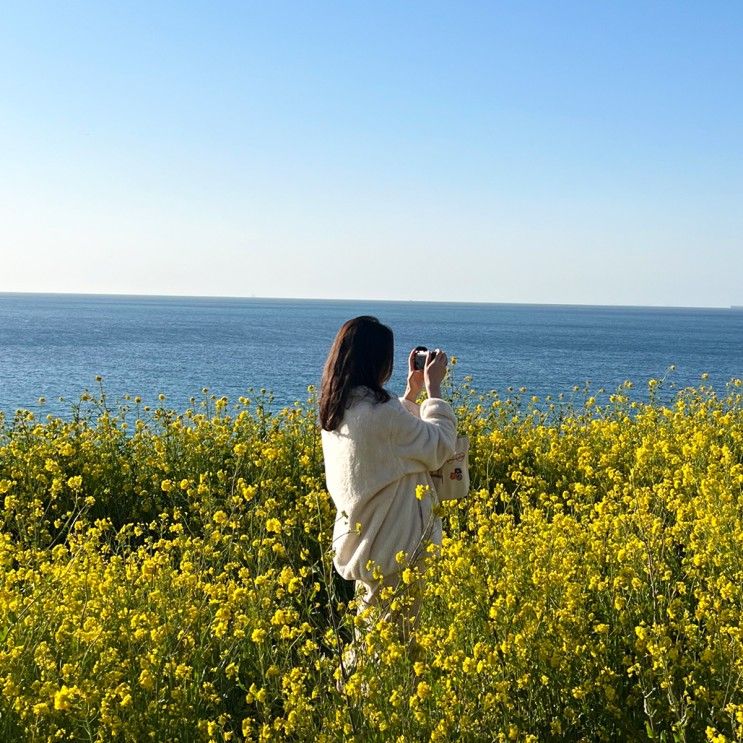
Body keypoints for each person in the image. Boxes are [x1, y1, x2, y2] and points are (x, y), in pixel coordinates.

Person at [319, 315, 457, 633]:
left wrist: (411, 393)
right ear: (378, 360)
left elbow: (391, 449)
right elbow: (439, 446)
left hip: (368, 546)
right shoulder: (382, 414)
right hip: (396, 552)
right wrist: (434, 391)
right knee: (391, 652)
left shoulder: (338, 410)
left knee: (371, 638)